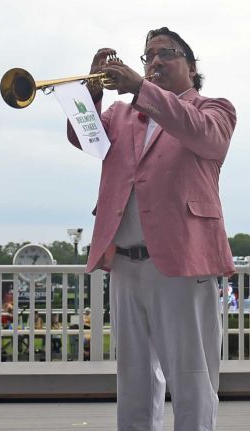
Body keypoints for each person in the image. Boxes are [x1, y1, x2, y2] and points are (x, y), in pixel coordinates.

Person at [67, 27, 235, 431]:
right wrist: (91, 91)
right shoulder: (122, 114)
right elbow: (81, 137)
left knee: (191, 377)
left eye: (166, 53)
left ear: (192, 69)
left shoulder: (214, 109)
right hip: (125, 262)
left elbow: (202, 135)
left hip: (184, 261)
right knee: (134, 380)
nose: (155, 60)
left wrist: (140, 86)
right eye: (148, 55)